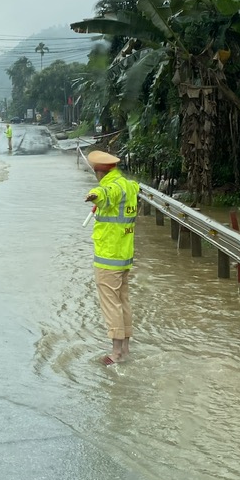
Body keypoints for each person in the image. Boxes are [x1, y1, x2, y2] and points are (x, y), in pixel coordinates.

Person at [84, 149, 139, 365]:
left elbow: (105, 194)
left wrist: (95, 195)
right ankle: (125, 348)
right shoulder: (129, 185)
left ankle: (116, 353)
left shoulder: (111, 187)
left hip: (109, 257)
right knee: (123, 300)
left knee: (111, 303)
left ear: (99, 172)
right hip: (124, 255)